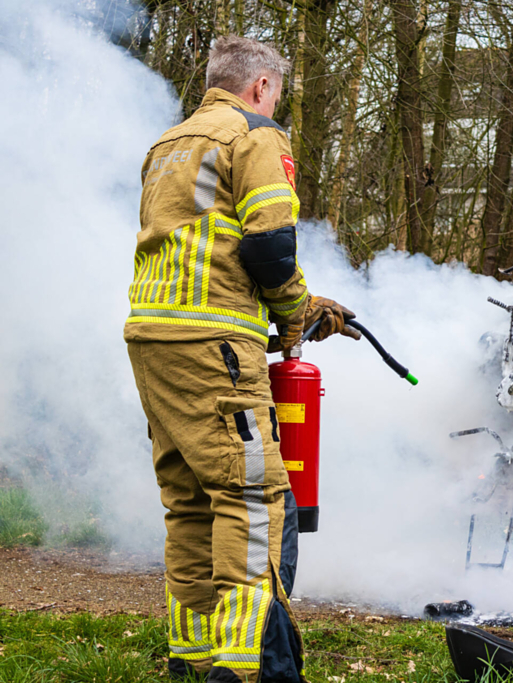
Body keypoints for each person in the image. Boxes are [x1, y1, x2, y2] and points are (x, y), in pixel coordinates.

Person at [124, 36, 358, 683]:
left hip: (152, 341)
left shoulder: (166, 146)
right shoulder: (255, 135)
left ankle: (192, 657)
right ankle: (243, 666)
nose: (275, 102)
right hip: (215, 348)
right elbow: (269, 249)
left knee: (190, 503)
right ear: (260, 86)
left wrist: (298, 306)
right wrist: (295, 314)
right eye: (276, 92)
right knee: (251, 497)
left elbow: (205, 247)